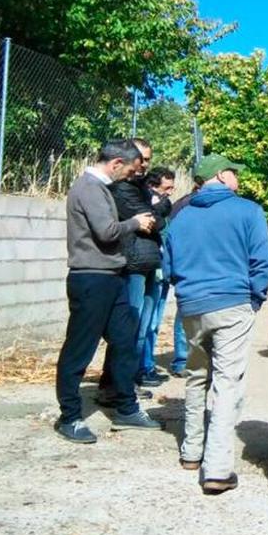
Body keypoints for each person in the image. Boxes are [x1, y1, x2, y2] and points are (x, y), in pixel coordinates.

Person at [164, 153, 268, 495]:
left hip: (192, 306)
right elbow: (262, 261)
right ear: (223, 175)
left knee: (196, 376)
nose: (238, 180)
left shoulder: (179, 218)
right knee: (228, 383)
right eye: (235, 174)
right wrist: (254, 298)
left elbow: (167, 266)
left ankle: (191, 452)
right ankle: (218, 468)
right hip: (232, 303)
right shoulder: (248, 211)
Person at [54, 139, 160, 443]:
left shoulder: (99, 188)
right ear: (115, 164)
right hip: (92, 278)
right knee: (80, 348)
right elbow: (106, 231)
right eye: (128, 170)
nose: (129, 176)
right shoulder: (89, 188)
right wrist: (135, 223)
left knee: (125, 341)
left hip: (111, 277)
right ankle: (70, 417)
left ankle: (126, 407)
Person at [95, 138, 170, 400]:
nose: (144, 165)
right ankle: (114, 385)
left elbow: (154, 219)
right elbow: (153, 221)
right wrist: (155, 211)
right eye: (141, 158)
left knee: (141, 326)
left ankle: (126, 381)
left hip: (146, 261)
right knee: (129, 327)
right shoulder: (124, 189)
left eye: (148, 159)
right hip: (133, 263)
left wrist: (154, 212)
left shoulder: (139, 187)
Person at [134, 166, 176, 386]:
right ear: (152, 186)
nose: (169, 193)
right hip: (151, 269)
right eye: (166, 188)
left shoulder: (163, 206)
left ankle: (147, 366)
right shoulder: (147, 204)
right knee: (145, 323)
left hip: (162, 270)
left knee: (154, 323)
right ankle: (140, 369)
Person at [165, 173, 204, 377]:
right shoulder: (185, 205)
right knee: (185, 315)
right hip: (191, 265)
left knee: (186, 313)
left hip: (189, 265)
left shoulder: (182, 204)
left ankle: (184, 359)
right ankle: (182, 359)